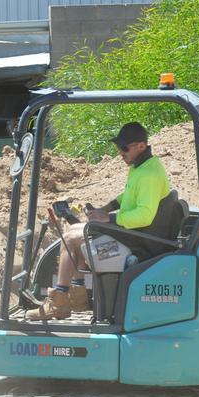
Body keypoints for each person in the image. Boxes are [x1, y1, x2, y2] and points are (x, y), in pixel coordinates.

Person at [29, 121, 172, 321]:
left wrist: (110, 218)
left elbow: (144, 216)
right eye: (119, 148)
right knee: (79, 233)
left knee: (70, 238)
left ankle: (58, 302)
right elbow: (129, 196)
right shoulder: (143, 166)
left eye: (124, 148)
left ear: (141, 145)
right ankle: (78, 298)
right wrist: (106, 209)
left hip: (137, 240)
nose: (120, 153)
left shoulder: (148, 174)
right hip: (135, 233)